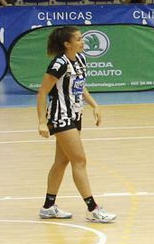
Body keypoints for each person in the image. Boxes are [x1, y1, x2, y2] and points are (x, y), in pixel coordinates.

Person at [34, 26, 116, 224]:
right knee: (79, 160)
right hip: (61, 117)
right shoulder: (58, 64)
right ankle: (92, 208)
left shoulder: (80, 59)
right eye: (78, 39)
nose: (83, 41)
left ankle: (48, 207)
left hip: (75, 115)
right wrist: (42, 122)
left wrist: (94, 104)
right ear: (67, 44)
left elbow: (80, 85)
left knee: (62, 161)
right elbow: (43, 93)